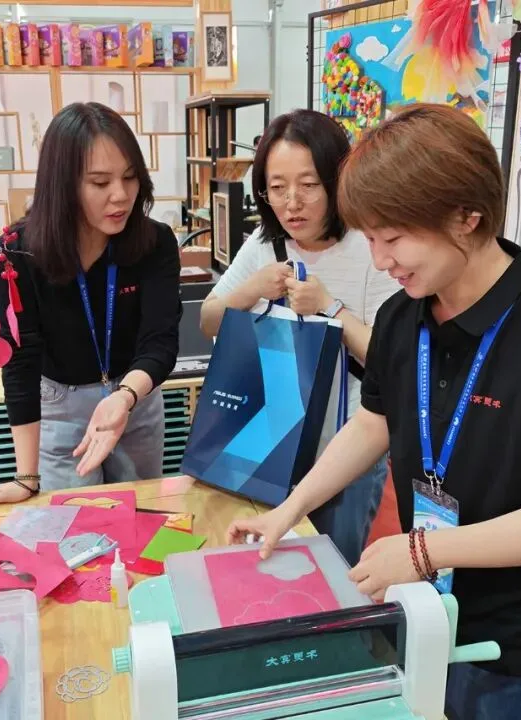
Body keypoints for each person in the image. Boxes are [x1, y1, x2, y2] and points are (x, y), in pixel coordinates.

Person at [227, 104, 521, 720]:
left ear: (467, 216)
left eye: (393, 239)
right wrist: (290, 509)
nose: (380, 260)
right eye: (371, 239)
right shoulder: (402, 316)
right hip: (427, 601)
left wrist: (421, 552)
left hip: (516, 633)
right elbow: (374, 422)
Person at [200, 108, 395, 567]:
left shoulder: (370, 247)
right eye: (277, 187)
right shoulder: (264, 243)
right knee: (264, 558)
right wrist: (251, 289)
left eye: (308, 185)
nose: (292, 203)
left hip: (347, 447)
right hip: (269, 435)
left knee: (333, 563)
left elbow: (389, 360)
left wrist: (331, 308)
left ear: (336, 180)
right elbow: (209, 320)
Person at [0, 102, 181, 505]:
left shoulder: (155, 242)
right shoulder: (19, 251)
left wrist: (124, 397)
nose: (120, 195)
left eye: (130, 177)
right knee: (74, 522)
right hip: (60, 405)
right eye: (100, 182)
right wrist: (26, 477)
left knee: (141, 513)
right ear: (63, 184)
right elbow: (20, 359)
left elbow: (160, 341)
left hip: (134, 397)